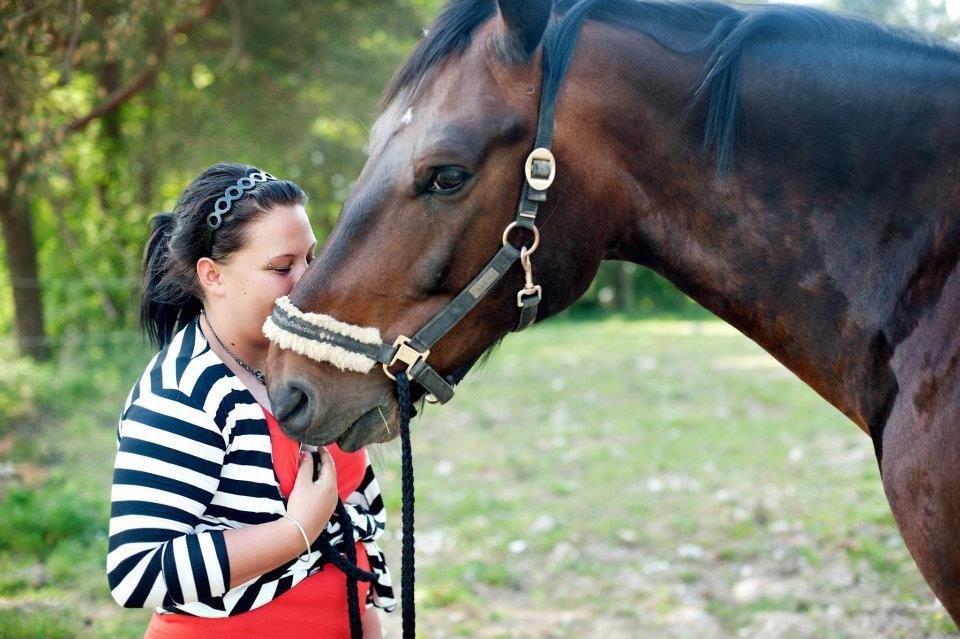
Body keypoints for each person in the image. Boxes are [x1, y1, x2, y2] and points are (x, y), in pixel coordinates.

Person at [107, 162, 394, 638]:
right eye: (281, 267)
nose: (307, 281)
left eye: (311, 259)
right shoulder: (183, 392)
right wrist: (296, 531)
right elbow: (137, 571)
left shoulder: (317, 362)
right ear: (212, 275)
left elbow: (353, 532)